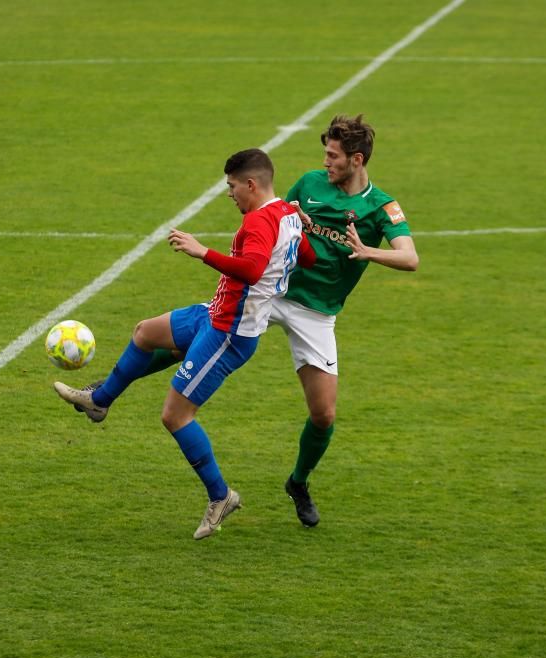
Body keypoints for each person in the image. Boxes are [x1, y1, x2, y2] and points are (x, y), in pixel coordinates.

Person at [52, 148, 315, 540]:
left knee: (175, 416)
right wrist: (295, 238)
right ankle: (100, 400)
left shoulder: (262, 220)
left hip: (230, 333)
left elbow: (254, 269)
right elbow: (306, 258)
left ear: (251, 184)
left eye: (231, 187)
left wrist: (201, 251)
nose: (229, 194)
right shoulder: (288, 215)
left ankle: (221, 496)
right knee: (145, 333)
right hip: (216, 312)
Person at [270, 114, 418, 527]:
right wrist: (290, 224)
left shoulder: (380, 207)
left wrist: (370, 252)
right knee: (206, 331)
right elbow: (273, 223)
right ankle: (111, 388)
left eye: (333, 156)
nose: (325, 162)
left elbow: (410, 257)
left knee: (324, 415)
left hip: (316, 313)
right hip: (275, 292)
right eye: (324, 153)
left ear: (356, 159)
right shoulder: (310, 183)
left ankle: (298, 482)